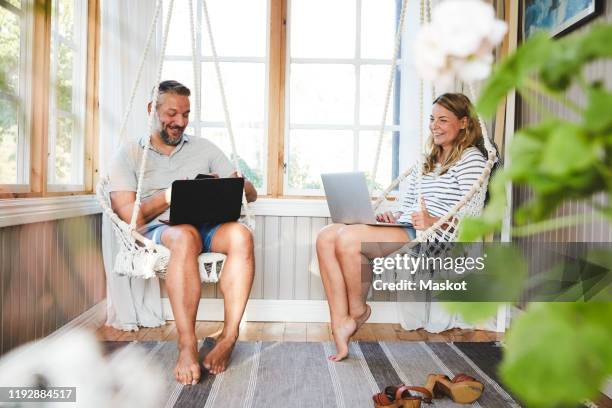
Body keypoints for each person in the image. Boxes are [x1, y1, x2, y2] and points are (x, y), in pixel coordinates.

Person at [316, 93, 488, 361]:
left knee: (349, 239)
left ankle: (358, 310)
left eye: (443, 120)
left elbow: (472, 217)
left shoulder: (471, 159)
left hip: (436, 235)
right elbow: (407, 205)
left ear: (464, 123)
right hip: (410, 225)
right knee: (326, 236)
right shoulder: (428, 159)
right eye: (432, 119)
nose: (435, 126)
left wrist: (432, 221)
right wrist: (392, 217)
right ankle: (341, 322)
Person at [108, 80, 257, 385]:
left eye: (186, 114)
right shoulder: (129, 154)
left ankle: (229, 337)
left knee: (242, 235)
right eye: (172, 113)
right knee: (185, 234)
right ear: (152, 110)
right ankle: (187, 344)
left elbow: (250, 195)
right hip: (160, 231)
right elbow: (128, 215)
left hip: (208, 225)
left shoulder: (204, 148)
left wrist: (237, 183)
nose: (180, 122)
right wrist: (168, 196)